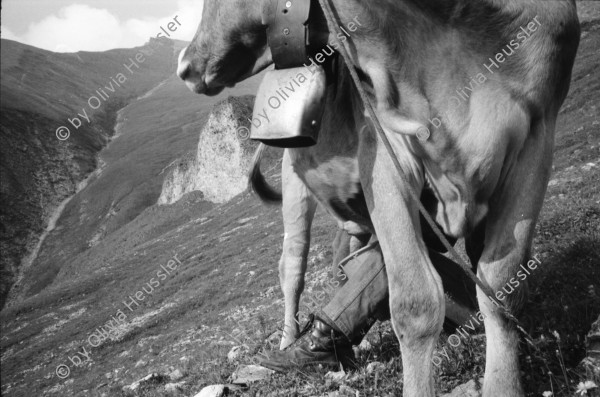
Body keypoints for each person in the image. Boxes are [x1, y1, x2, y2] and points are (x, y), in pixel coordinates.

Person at [259, 209, 478, 372]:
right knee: (353, 239)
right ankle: (337, 337)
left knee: (395, 250)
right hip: (473, 293)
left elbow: (443, 232)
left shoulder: (496, 171)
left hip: (487, 308)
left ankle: (325, 343)